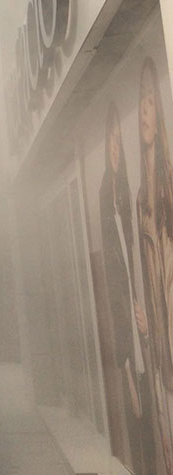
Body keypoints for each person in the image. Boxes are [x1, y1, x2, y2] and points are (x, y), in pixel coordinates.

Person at [100, 100, 155, 473]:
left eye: (119, 140)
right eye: (110, 141)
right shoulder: (107, 201)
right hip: (131, 347)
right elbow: (115, 293)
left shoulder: (130, 199)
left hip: (145, 338)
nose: (115, 149)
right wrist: (127, 366)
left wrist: (148, 326)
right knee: (140, 429)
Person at [137, 56, 173, 473]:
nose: (145, 111)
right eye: (141, 103)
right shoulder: (139, 198)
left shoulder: (167, 185)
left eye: (151, 101)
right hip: (158, 347)